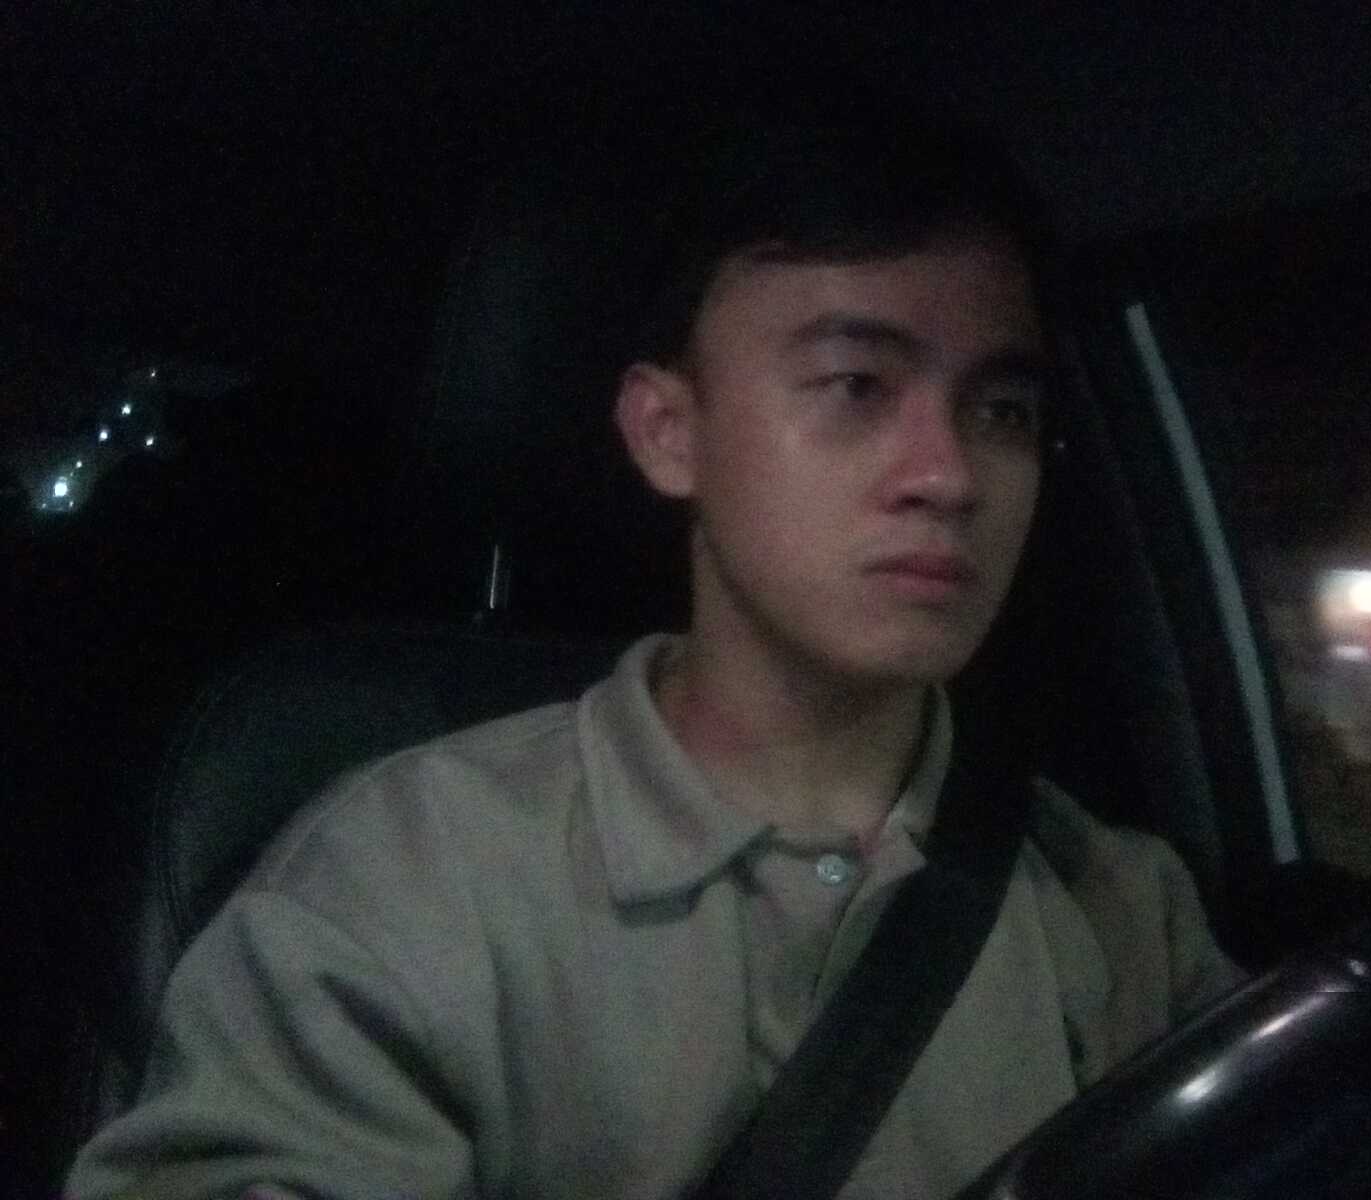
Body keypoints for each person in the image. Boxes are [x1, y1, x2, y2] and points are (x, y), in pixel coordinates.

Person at [66, 97, 1242, 1199]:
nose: (948, 476)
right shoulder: (408, 881)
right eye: (855, 385)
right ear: (668, 431)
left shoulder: (1115, 905)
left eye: (1002, 411)